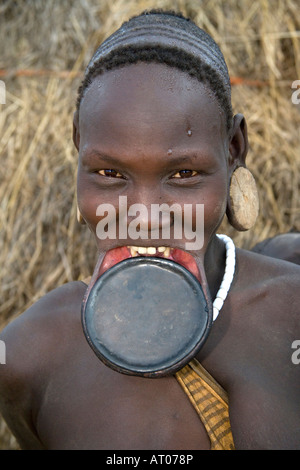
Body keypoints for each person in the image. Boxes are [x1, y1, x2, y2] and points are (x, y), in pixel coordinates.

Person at [0, 9, 299, 450]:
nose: (143, 215)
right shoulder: (28, 356)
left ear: (234, 149)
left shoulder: (290, 315)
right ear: (78, 147)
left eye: (183, 175)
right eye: (108, 173)